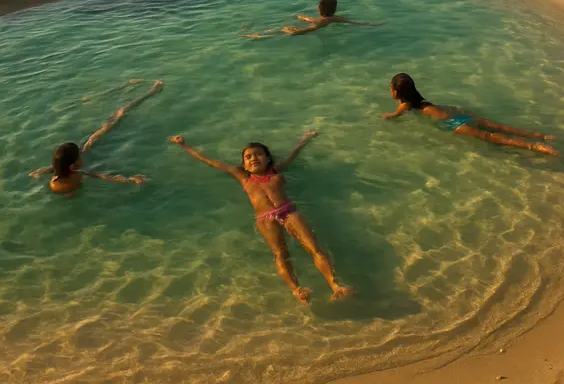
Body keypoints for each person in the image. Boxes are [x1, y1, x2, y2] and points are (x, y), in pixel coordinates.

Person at [168, 132, 353, 303]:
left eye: (258, 154)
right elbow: (211, 162)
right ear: (244, 164)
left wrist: (304, 139)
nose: (253, 158)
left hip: (288, 211)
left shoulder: (276, 172)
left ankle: (335, 285)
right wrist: (184, 145)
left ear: (268, 158)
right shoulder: (242, 177)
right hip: (265, 218)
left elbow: (292, 155)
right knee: (281, 253)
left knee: (314, 247)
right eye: (248, 157)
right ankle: (296, 289)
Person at [28, 80, 163, 194]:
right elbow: (103, 176)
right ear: (73, 165)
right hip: (84, 160)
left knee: (113, 121)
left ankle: (148, 92)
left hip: (75, 170)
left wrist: (37, 173)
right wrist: (130, 180)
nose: (81, 155)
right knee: (114, 119)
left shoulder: (58, 176)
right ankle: (151, 91)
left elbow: (101, 176)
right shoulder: (78, 173)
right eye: (79, 156)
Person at [382, 73, 557, 156]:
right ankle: (540, 136)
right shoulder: (422, 102)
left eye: (390, 88)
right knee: (498, 126)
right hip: (454, 113)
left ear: (395, 93)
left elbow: (394, 116)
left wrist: (384, 118)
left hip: (453, 124)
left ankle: (536, 147)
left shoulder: (405, 106)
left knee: (490, 136)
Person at [243, 0, 373, 38]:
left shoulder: (320, 22)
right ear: (335, 9)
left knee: (284, 30)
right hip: (319, 22)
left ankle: (261, 35)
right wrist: (372, 24)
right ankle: (262, 34)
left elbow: (312, 27)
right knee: (301, 20)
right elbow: (356, 22)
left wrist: (296, 29)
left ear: (318, 8)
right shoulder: (338, 18)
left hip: (315, 26)